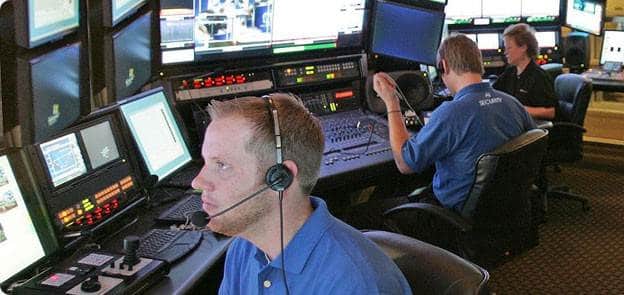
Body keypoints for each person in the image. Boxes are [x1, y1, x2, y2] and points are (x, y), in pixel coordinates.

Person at [191, 93, 411, 294]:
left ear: (280, 179)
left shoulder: (355, 285)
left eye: (222, 165)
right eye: (206, 162)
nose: (197, 182)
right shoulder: (245, 247)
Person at [348, 34, 536, 229]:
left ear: (444, 66)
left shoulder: (451, 113)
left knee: (356, 216)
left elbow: (404, 164)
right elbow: (533, 140)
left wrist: (391, 102)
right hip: (503, 210)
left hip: (452, 216)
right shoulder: (513, 104)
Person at [492, 23, 558, 120]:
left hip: (534, 130)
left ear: (523, 47)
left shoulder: (539, 76)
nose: (505, 52)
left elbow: (551, 112)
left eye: (509, 48)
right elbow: (493, 92)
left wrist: (520, 110)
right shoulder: (511, 72)